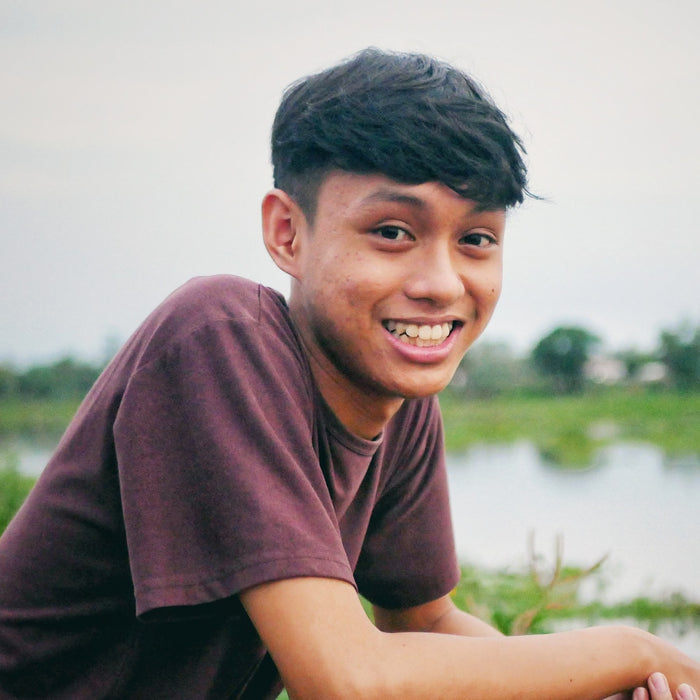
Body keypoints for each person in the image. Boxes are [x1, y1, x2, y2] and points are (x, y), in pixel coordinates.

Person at [0, 48, 698, 700]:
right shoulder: (219, 338)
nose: (440, 283)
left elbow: (425, 622)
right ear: (287, 233)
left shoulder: (400, 401)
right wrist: (632, 649)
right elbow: (348, 681)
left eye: (476, 239)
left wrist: (598, 688)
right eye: (392, 232)